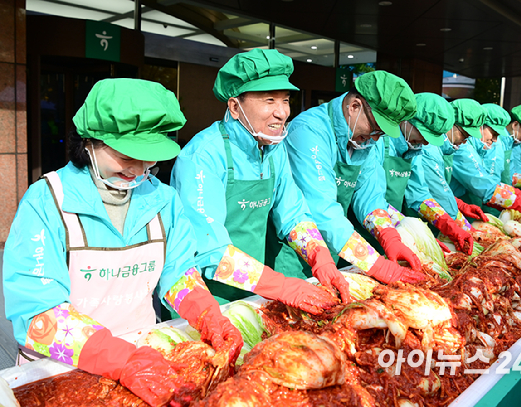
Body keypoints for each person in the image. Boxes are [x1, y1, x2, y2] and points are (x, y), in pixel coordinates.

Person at [3, 79, 243, 407]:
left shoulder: (163, 200)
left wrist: (207, 315)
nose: (139, 169)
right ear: (89, 141)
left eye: (150, 158)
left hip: (145, 362)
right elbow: (37, 312)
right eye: (127, 154)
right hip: (61, 371)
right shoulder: (47, 202)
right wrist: (121, 359)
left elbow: (178, 276)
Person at [171, 49, 349, 308]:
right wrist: (281, 286)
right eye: (269, 100)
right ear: (234, 106)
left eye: (286, 100)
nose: (282, 112)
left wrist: (319, 255)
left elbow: (293, 214)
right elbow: (209, 250)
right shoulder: (203, 155)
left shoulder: (273, 149)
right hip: (204, 301)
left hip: (254, 292)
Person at [279, 70, 425, 284]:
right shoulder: (309, 130)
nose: (375, 138)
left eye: (380, 134)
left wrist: (389, 236)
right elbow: (321, 207)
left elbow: (369, 196)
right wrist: (376, 265)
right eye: (375, 128)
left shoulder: (365, 140)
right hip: (298, 249)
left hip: (338, 243)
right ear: (354, 107)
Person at [404, 93, 487, 255]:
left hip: (411, 225)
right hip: (393, 225)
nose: (464, 142)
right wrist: (458, 224)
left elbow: (421, 192)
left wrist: (458, 209)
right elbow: (434, 191)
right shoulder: (426, 150)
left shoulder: (430, 147)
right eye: (464, 135)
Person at [447, 99, 521, 223]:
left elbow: (491, 180)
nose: (495, 140)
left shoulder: (486, 145)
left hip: (470, 204)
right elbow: (482, 183)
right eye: (494, 134)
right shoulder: (462, 148)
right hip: (456, 206)